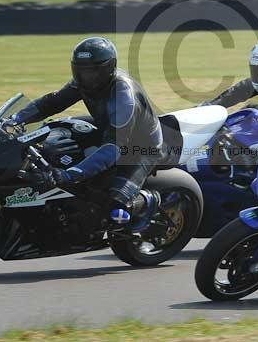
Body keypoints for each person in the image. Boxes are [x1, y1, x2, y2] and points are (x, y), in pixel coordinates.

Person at [11, 36, 164, 229]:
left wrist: (70, 175)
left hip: (139, 147)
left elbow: (113, 148)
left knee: (115, 207)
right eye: (82, 71)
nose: (87, 77)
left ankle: (149, 201)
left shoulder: (124, 97)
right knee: (51, 137)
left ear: (109, 68)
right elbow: (53, 102)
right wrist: (16, 119)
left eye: (92, 71)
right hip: (107, 128)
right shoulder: (80, 83)